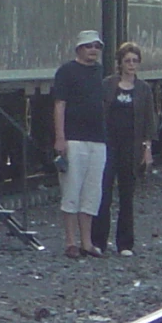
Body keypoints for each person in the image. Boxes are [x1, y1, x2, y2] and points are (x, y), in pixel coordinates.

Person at [91, 42, 158, 257]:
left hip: (132, 148)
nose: (131, 65)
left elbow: (149, 121)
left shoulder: (144, 89)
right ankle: (98, 241)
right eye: (127, 61)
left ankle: (125, 243)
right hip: (109, 146)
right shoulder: (108, 85)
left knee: (127, 196)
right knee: (104, 194)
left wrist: (147, 149)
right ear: (120, 63)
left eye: (135, 61)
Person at [50, 30, 109, 259]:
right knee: (71, 189)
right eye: (88, 46)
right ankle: (70, 241)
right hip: (74, 138)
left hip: (98, 139)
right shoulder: (66, 72)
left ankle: (87, 241)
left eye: (96, 46)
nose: (93, 50)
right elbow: (60, 105)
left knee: (92, 191)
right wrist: (60, 137)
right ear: (79, 49)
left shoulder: (100, 73)